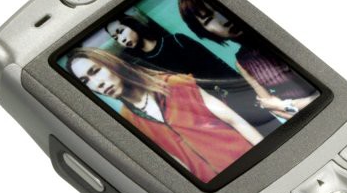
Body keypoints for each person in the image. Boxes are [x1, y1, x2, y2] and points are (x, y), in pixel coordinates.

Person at [66, 47, 263, 183]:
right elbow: (174, 166)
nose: (97, 83)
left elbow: (234, 119)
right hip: (216, 188)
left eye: (95, 71)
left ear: (112, 64)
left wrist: (265, 158)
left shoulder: (174, 84)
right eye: (86, 81)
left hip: (249, 163)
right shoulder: (127, 120)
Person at [105, 14, 281, 136]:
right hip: (207, 113)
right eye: (115, 37)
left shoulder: (177, 40)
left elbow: (217, 64)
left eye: (120, 31)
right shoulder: (142, 67)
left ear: (132, 24)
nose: (121, 39)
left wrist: (247, 91)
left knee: (274, 133)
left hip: (233, 96)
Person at [178, 0, 319, 119]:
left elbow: (326, 89)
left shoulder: (277, 32)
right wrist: (283, 107)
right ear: (204, 32)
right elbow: (275, 111)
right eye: (209, 19)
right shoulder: (242, 62)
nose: (223, 21)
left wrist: (284, 105)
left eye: (219, 7)